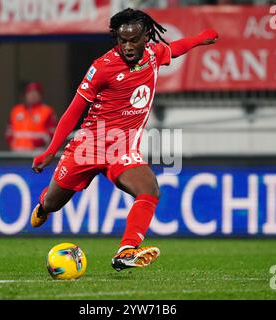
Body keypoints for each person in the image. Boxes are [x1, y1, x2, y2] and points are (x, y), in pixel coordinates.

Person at [30, 8, 218, 271]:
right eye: (122, 40)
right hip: (88, 147)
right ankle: (43, 205)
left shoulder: (154, 54)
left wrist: (199, 38)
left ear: (146, 37)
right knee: (53, 202)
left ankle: (126, 251)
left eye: (133, 40)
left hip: (122, 149)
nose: (127, 46)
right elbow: (74, 110)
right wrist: (51, 150)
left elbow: (175, 48)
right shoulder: (102, 68)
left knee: (149, 187)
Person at [6, 82, 58, 152]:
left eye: (35, 93)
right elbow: (9, 132)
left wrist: (36, 143)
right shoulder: (16, 110)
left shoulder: (47, 111)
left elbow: (53, 134)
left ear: (40, 95)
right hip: (17, 152)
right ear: (25, 95)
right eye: (30, 93)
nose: (32, 95)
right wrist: (13, 143)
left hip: (38, 151)